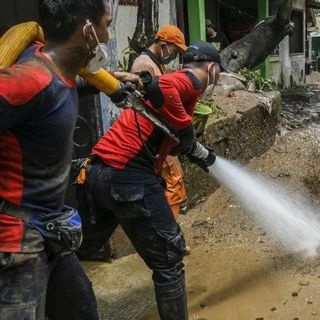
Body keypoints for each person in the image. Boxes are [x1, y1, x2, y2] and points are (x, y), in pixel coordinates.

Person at [0, 0, 140, 319]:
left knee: (82, 310)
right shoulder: (28, 80)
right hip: (18, 243)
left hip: (50, 228)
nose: (108, 34)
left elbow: (56, 95)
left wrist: (111, 82)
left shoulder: (56, 72)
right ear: (88, 31)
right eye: (106, 24)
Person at [76, 41, 226, 320]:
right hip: (129, 179)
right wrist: (187, 132)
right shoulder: (192, 80)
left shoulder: (171, 82)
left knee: (80, 249)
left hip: (96, 174)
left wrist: (189, 146)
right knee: (169, 261)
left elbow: (161, 111)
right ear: (213, 68)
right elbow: (165, 90)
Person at [131, 25, 190, 234]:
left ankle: (170, 232)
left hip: (161, 134)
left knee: (171, 183)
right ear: (163, 45)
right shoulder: (144, 66)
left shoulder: (156, 64)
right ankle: (170, 236)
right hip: (152, 135)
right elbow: (146, 105)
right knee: (171, 181)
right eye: (174, 51)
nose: (173, 56)